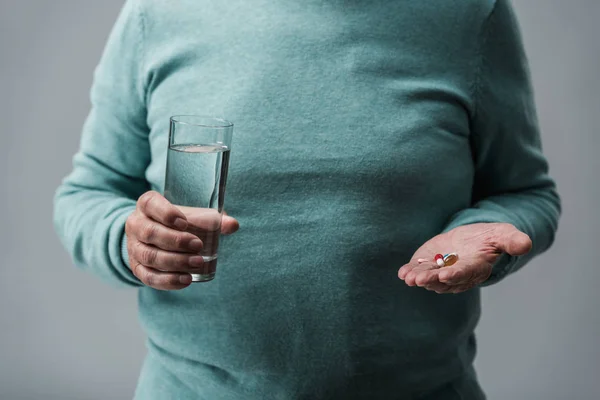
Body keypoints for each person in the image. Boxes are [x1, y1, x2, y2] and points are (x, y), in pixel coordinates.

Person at [53, 0, 560, 398]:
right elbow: (89, 193)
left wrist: (484, 238)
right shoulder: (157, 13)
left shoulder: (470, 13)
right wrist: (130, 240)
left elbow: (524, 191)